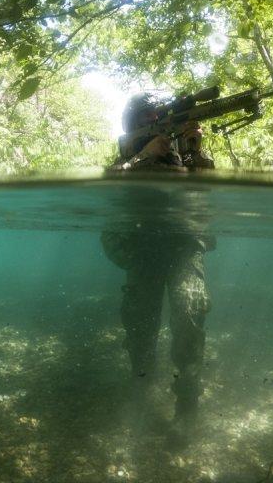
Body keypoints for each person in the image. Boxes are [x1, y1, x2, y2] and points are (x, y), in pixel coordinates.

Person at [101, 92, 215, 427]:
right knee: (138, 319)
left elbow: (206, 194)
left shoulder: (182, 154)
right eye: (144, 118)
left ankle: (187, 399)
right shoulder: (125, 157)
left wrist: (195, 151)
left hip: (183, 244)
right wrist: (141, 158)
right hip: (141, 247)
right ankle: (140, 385)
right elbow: (110, 183)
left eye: (156, 117)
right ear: (131, 124)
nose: (152, 122)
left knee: (191, 309)